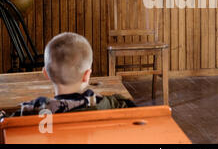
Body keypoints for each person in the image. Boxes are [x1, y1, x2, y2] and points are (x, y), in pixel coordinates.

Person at [4, 32, 135, 117]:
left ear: (46, 74)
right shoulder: (111, 104)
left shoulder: (33, 110)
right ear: (87, 75)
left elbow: (5, 124)